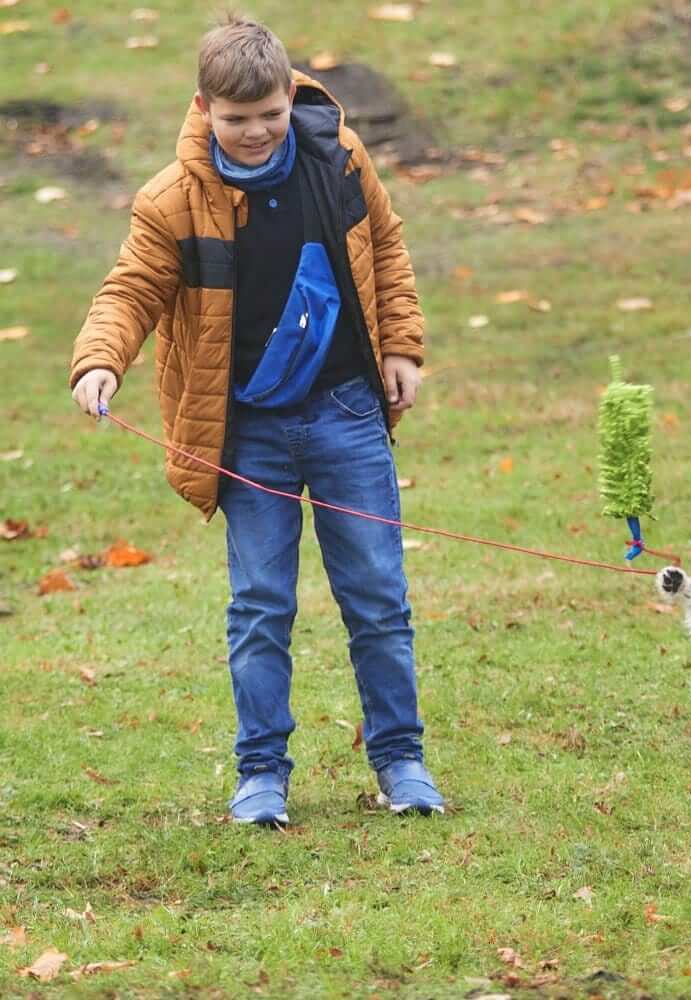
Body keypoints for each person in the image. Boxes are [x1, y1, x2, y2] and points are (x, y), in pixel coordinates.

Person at [69, 15, 444, 825]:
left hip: (346, 409)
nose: (254, 132)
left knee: (378, 596)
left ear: (289, 97)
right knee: (261, 606)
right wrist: (101, 359)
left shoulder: (337, 159)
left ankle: (401, 762)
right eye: (236, 119)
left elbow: (385, 244)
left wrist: (403, 346)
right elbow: (130, 288)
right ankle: (261, 773)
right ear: (204, 107)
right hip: (248, 433)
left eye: (268, 114)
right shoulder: (173, 199)